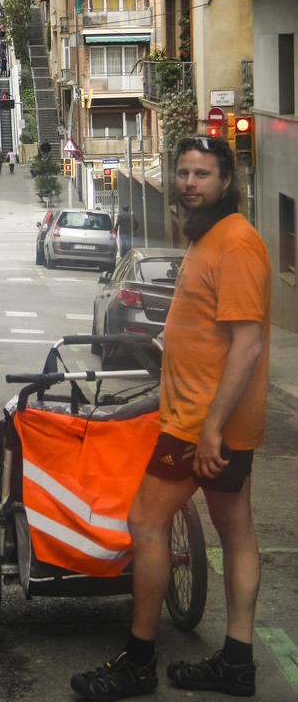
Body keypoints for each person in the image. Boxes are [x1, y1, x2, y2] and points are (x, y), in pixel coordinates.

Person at [70, 136, 271, 701]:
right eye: (183, 172)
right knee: (236, 534)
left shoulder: (236, 245)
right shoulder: (212, 240)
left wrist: (210, 427)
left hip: (201, 425)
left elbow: (248, 345)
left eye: (203, 174)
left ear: (225, 182)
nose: (189, 183)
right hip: (204, 418)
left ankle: (137, 661)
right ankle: (237, 662)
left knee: (146, 523)